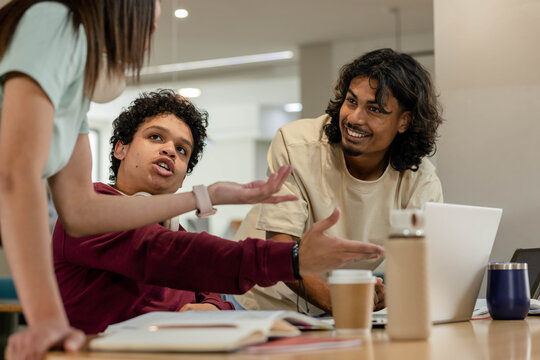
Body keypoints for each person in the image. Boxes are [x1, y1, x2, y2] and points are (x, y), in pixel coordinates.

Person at [0, 2, 384, 356]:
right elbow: (17, 175)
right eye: (150, 26)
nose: (147, 41)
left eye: (182, 150)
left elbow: (79, 210)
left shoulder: (77, 92)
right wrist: (294, 257)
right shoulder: (56, 21)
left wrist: (207, 195)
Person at [52, 90, 377, 334]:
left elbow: (211, 292)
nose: (169, 150)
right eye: (155, 137)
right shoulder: (91, 210)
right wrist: (291, 258)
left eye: (182, 150)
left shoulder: (172, 228)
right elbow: (168, 254)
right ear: (120, 148)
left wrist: (208, 306)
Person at [231, 48, 444, 315]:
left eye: (375, 109)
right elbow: (280, 250)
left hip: (328, 311)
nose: (355, 118)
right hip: (257, 302)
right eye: (352, 101)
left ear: (404, 120)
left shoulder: (419, 178)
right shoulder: (296, 145)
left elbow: (425, 262)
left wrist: (390, 293)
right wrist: (341, 301)